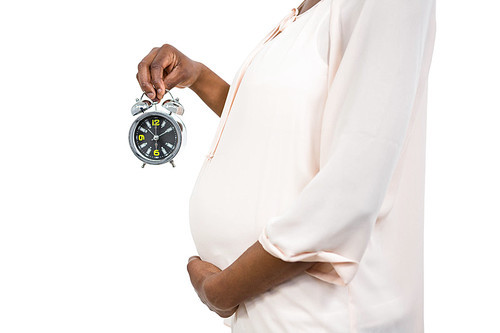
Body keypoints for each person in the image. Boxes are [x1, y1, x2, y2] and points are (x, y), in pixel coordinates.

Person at [136, 0, 436, 331]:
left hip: (322, 317)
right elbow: (281, 130)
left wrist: (222, 290)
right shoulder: (308, 12)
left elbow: (351, 190)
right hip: (270, 310)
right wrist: (199, 77)